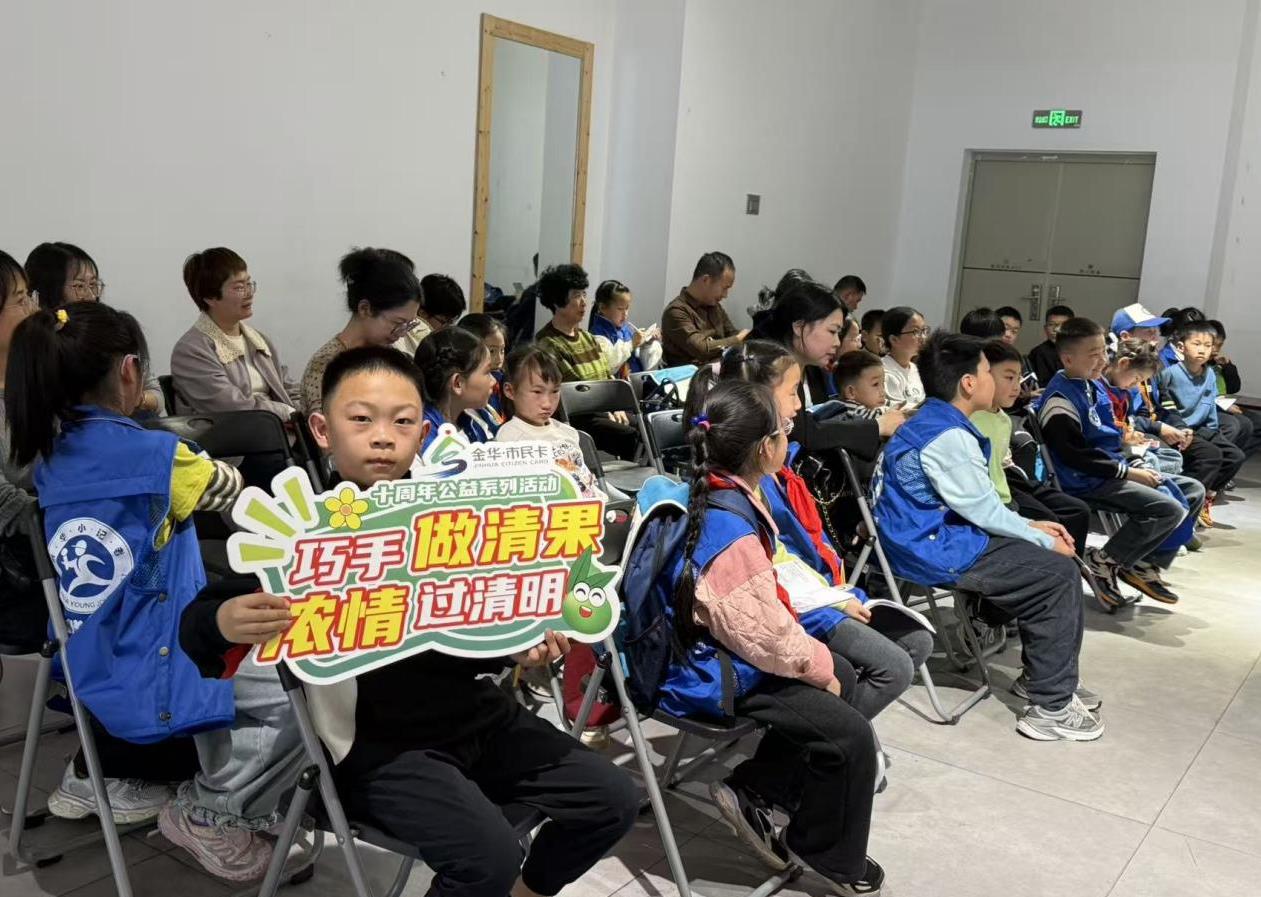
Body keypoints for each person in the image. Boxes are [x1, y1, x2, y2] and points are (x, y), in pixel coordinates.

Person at [180, 345, 639, 897]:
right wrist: (224, 620)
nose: (382, 437)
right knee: (489, 859)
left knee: (614, 799)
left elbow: (477, 627)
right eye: (361, 419)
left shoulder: (455, 522)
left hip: (477, 715)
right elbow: (195, 626)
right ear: (322, 430)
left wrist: (516, 643)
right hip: (375, 747)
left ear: (422, 433)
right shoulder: (300, 535)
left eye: (401, 422)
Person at [6, 303, 303, 876]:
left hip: (89, 663)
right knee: (302, 688)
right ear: (129, 371)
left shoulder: (48, 457)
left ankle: (102, 777)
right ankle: (213, 811)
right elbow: (230, 486)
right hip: (160, 664)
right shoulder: (159, 456)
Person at [659, 377, 885, 895]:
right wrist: (817, 665)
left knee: (845, 677)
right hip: (706, 672)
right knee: (851, 734)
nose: (790, 435)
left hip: (720, 649)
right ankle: (826, 851)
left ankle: (761, 788)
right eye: (784, 430)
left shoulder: (722, 491)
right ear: (765, 448)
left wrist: (821, 664)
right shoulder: (730, 526)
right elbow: (763, 638)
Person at [872, 331, 1101, 741]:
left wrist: (1032, 527)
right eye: (986, 371)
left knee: (1050, 559)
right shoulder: (948, 436)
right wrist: (1038, 536)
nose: (994, 380)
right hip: (930, 547)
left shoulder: (932, 420)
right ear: (968, 383)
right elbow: (983, 510)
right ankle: (1050, 705)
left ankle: (1047, 679)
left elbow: (979, 506)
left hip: (930, 536)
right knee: (1056, 573)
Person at [687, 340, 932, 723]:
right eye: (792, 393)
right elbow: (767, 582)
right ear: (759, 400)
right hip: (796, 605)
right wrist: (831, 601)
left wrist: (834, 593)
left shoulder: (773, 472)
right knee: (889, 668)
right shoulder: (740, 493)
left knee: (915, 641)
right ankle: (830, 740)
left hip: (810, 590)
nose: (801, 406)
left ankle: (831, 738)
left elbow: (792, 555)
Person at [1037, 318, 1196, 605]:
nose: (1102, 360)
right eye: (1093, 354)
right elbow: (1076, 456)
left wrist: (1131, 450)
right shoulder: (1061, 399)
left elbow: (1109, 433)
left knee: (1193, 491)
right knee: (1168, 509)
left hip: (1112, 466)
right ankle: (1104, 561)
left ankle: (1141, 563)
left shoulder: (1092, 384)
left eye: (1103, 352)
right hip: (1087, 479)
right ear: (1068, 358)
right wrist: (1127, 472)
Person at [974, 340, 1093, 579]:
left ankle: (1072, 572)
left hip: (1010, 479)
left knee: (1078, 510)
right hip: (993, 491)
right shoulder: (972, 418)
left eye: (1018, 378)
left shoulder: (1004, 419)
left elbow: (1002, 461)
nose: (1016, 386)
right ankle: (1053, 575)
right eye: (1008, 377)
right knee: (1048, 522)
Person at [25, 242, 165, 415]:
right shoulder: (38, 343)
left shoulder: (112, 329)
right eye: (79, 286)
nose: (91, 296)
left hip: (123, 425)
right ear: (49, 291)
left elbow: (157, 397)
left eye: (93, 285)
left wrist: (133, 398)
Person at [171, 247, 301, 418]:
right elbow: (232, 407)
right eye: (239, 287)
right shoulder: (191, 351)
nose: (249, 293)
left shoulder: (258, 340)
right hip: (238, 432)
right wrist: (287, 412)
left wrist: (310, 409)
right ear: (210, 298)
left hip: (280, 426)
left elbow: (288, 389)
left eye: (249, 284)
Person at [533, 264, 639, 461]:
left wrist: (616, 406)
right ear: (557, 301)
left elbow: (607, 375)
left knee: (645, 427)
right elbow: (574, 390)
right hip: (577, 417)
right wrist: (607, 409)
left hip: (602, 409)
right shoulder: (548, 343)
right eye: (576, 295)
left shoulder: (587, 338)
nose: (584, 302)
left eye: (584, 294)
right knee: (631, 436)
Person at [300, 247, 422, 415]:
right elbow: (329, 428)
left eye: (409, 325)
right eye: (398, 323)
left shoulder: (392, 358)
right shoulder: (326, 366)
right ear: (365, 309)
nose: (401, 333)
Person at [1157, 318, 1252, 514]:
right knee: (1211, 457)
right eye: (1197, 344)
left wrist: (1213, 430)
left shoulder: (1209, 374)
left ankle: (1207, 496)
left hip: (1204, 429)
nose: (1202, 350)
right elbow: (1165, 406)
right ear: (1181, 347)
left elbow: (1209, 405)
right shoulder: (1170, 374)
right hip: (1182, 429)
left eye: (1208, 346)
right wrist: (1180, 428)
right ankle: (1186, 501)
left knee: (1235, 457)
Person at [497, 345, 603, 499]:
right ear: (510, 391)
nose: (547, 403)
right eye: (537, 392)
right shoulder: (508, 439)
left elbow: (588, 482)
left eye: (555, 391)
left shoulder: (568, 432)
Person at [415, 328, 499, 452]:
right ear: (458, 383)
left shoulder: (471, 422)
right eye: (487, 372)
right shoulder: (424, 437)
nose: (494, 381)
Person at [660, 251, 748, 365]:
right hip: (692, 374)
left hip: (719, 369)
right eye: (724, 288)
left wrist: (748, 336)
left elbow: (731, 332)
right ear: (706, 280)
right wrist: (738, 339)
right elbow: (701, 349)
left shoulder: (715, 306)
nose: (725, 295)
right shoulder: (676, 311)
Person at [1206, 319, 1261, 461]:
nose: (1216, 350)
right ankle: (1225, 460)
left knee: (1258, 422)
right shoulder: (1198, 363)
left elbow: (1234, 387)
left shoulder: (1219, 363)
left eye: (1220, 345)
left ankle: (1234, 459)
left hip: (1225, 402)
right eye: (1213, 345)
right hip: (1212, 405)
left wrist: (1228, 367)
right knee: (1240, 424)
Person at [588, 278, 662, 377]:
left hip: (636, 380)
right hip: (618, 385)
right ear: (602, 308)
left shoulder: (625, 328)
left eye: (627, 308)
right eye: (620, 309)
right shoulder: (597, 334)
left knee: (655, 346)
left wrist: (646, 343)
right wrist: (632, 344)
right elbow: (609, 363)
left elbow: (637, 357)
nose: (625, 314)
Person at [394, 272, 467, 357]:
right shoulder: (400, 339)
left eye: (451, 322)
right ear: (422, 313)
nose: (448, 328)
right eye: (444, 322)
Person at [456, 313, 508, 417]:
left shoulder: (505, 381)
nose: (499, 358)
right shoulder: (468, 391)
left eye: (502, 350)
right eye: (492, 351)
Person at [879, 307, 927, 410]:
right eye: (915, 332)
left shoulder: (917, 369)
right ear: (894, 339)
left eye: (924, 330)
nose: (923, 337)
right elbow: (899, 410)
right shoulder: (881, 370)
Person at [833, 350, 889, 421]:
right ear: (851, 392)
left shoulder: (870, 402)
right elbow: (879, 418)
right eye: (875, 384)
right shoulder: (846, 408)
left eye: (883, 384)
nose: (883, 392)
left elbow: (891, 404)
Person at [1027, 304, 1074, 386]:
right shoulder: (1039, 353)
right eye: (1051, 324)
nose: (1055, 329)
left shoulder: (1080, 350)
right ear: (1045, 328)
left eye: (1062, 325)